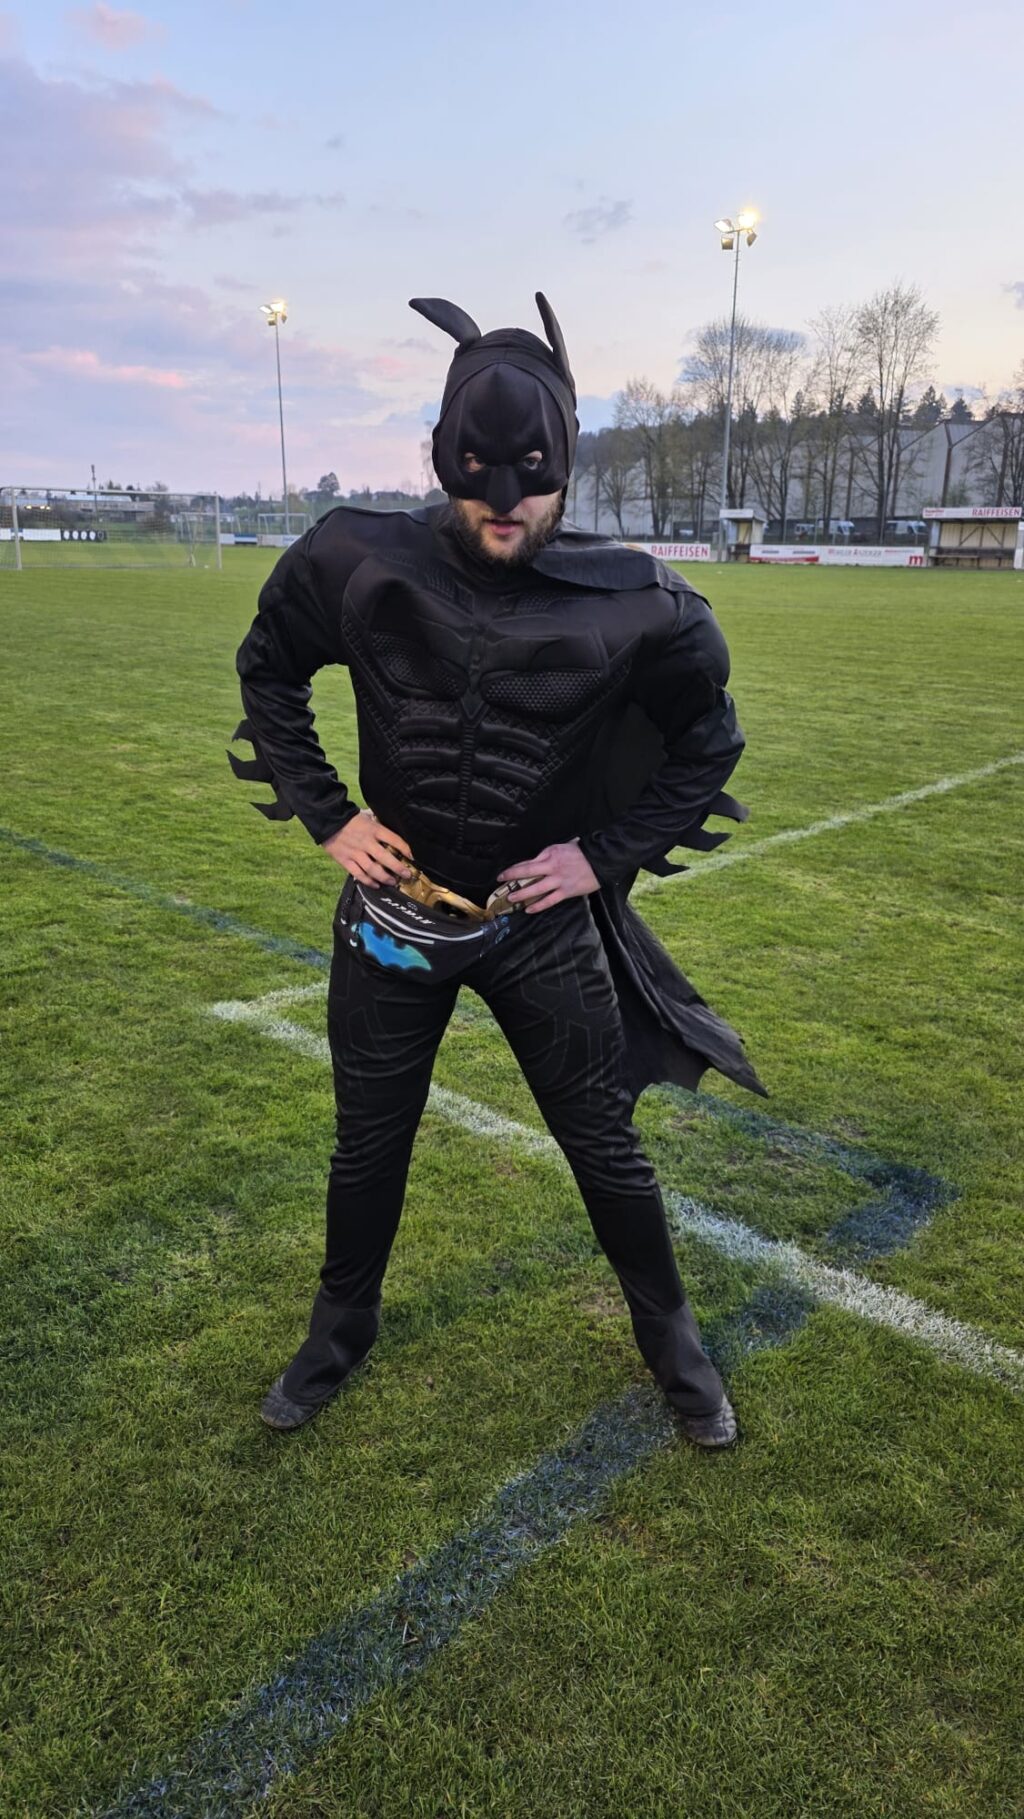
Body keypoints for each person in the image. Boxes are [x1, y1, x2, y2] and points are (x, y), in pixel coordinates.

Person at [230, 291, 764, 1450]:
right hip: (392, 916)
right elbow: (268, 668)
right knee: (367, 1144)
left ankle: (675, 1347)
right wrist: (331, 818)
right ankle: (337, 1334)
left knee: (604, 1146)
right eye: (479, 474)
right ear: (443, 456)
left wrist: (598, 857)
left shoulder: (639, 606)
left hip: (537, 925)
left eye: (532, 474)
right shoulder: (357, 562)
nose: (505, 503)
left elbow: (707, 743)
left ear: (565, 461)